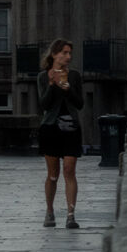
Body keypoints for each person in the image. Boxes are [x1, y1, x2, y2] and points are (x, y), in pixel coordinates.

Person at [37, 39, 85, 229]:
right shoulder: (43, 76)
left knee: (69, 170)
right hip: (50, 128)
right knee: (53, 174)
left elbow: (80, 104)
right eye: (64, 53)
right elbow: (44, 105)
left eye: (69, 53)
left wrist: (68, 89)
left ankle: (71, 215)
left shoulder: (74, 76)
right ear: (54, 54)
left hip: (71, 127)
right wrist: (51, 84)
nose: (68, 56)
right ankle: (50, 211)